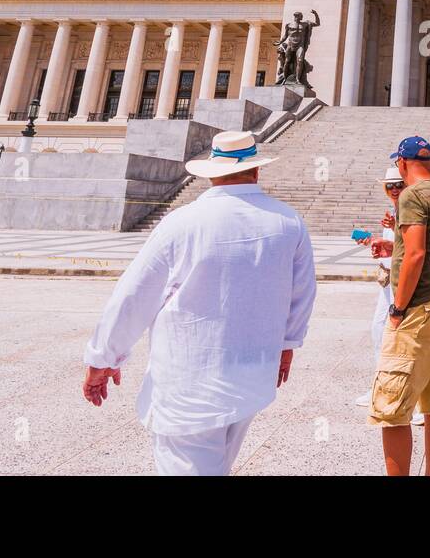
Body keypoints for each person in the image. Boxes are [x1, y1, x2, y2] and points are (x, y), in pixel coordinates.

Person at [82, 130, 316, 475]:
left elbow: (134, 295)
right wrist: (286, 344)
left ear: (212, 172)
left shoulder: (182, 222)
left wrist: (103, 357)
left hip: (189, 385)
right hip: (252, 376)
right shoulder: (288, 222)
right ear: (256, 170)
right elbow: (302, 294)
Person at [368, 136, 430, 475]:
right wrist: (391, 244)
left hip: (420, 306)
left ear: (402, 163)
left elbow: (417, 254)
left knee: (391, 406)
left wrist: (397, 309)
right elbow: (428, 246)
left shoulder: (410, 195)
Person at [356, 165, 423, 426]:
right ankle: (381, 388)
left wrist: (394, 231)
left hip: (402, 285)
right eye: (390, 186)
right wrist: (375, 242)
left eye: (399, 185)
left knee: (405, 341)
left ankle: (415, 402)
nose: (394, 189)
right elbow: (396, 249)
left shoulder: (411, 209)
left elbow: (414, 250)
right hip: (388, 285)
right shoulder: (395, 211)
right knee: (378, 332)